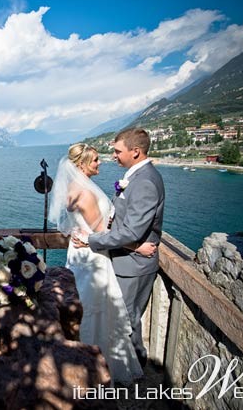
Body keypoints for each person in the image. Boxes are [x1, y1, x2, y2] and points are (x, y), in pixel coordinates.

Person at [48, 142, 155, 385]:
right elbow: (102, 234)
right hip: (93, 259)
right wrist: (138, 247)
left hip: (80, 254)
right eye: (95, 160)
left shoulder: (75, 189)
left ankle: (82, 363)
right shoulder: (84, 194)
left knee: (86, 308)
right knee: (97, 312)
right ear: (82, 165)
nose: (100, 162)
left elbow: (87, 228)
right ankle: (97, 368)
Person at [72, 128, 165, 369]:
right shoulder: (135, 178)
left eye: (117, 151)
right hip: (126, 257)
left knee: (127, 318)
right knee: (121, 317)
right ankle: (121, 364)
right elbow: (124, 224)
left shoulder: (144, 181)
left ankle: (134, 366)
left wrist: (92, 241)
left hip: (133, 265)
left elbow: (132, 231)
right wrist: (135, 245)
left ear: (135, 152)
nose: (112, 156)